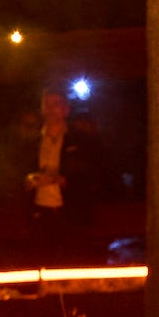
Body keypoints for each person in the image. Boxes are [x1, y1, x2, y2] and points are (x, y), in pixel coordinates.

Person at [21, 89, 106, 264]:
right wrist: (29, 180)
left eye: (57, 104)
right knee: (41, 262)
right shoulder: (32, 142)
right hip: (40, 214)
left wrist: (60, 180)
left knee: (73, 262)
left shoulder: (80, 140)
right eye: (47, 105)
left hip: (71, 213)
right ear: (42, 109)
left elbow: (92, 174)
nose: (52, 109)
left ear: (66, 109)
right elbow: (18, 171)